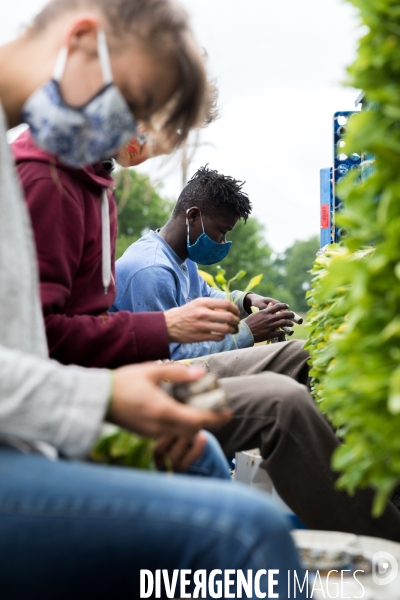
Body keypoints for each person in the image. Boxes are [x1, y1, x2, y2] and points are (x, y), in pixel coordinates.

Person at [0, 0, 307, 597]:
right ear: (85, 41)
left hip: (32, 430)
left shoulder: (60, 179)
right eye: (140, 109)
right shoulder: (42, 177)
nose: (139, 137)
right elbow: (51, 340)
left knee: (205, 468)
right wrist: (106, 398)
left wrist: (112, 401)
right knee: (248, 534)